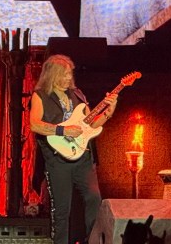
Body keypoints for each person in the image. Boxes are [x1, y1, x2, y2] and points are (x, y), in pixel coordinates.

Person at [30, 55, 118, 244]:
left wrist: (108, 113)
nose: (68, 78)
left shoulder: (78, 95)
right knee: (62, 209)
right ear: (52, 75)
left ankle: (92, 241)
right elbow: (35, 125)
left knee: (94, 199)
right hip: (57, 160)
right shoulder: (40, 96)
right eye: (64, 74)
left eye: (70, 74)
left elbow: (91, 125)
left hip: (83, 157)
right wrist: (63, 130)